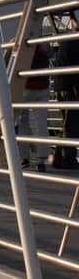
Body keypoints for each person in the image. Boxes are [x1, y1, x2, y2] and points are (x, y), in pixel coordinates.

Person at [18, 43, 50, 172]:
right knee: (41, 123)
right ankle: (41, 158)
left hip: (25, 89)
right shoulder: (43, 49)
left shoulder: (23, 50)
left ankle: (24, 157)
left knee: (23, 121)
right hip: (43, 89)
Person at [53, 12, 79, 169]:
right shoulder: (75, 41)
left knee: (68, 124)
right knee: (71, 124)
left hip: (62, 85)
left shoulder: (67, 41)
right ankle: (67, 159)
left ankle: (61, 158)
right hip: (69, 87)